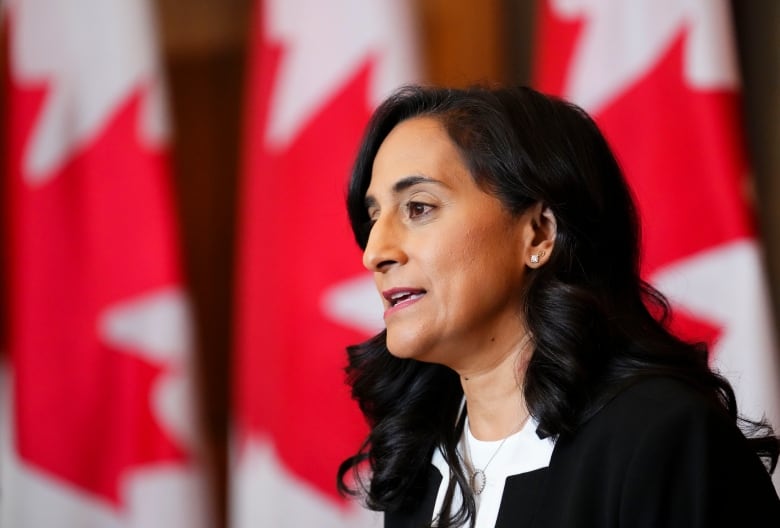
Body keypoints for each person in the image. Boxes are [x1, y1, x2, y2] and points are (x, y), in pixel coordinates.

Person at [336, 85, 780, 528]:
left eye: (418, 207)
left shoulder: (664, 440)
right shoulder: (415, 462)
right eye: (375, 217)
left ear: (540, 233)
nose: (374, 252)